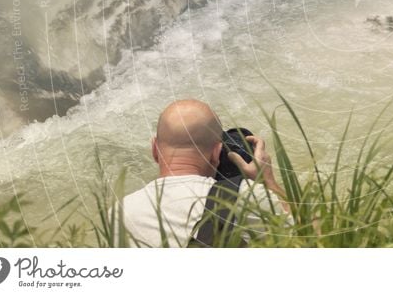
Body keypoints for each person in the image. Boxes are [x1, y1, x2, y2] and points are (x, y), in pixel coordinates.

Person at [117, 99, 291, 247]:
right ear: (217, 153)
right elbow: (310, 235)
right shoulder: (245, 198)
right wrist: (268, 180)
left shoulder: (117, 216)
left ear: (154, 149)